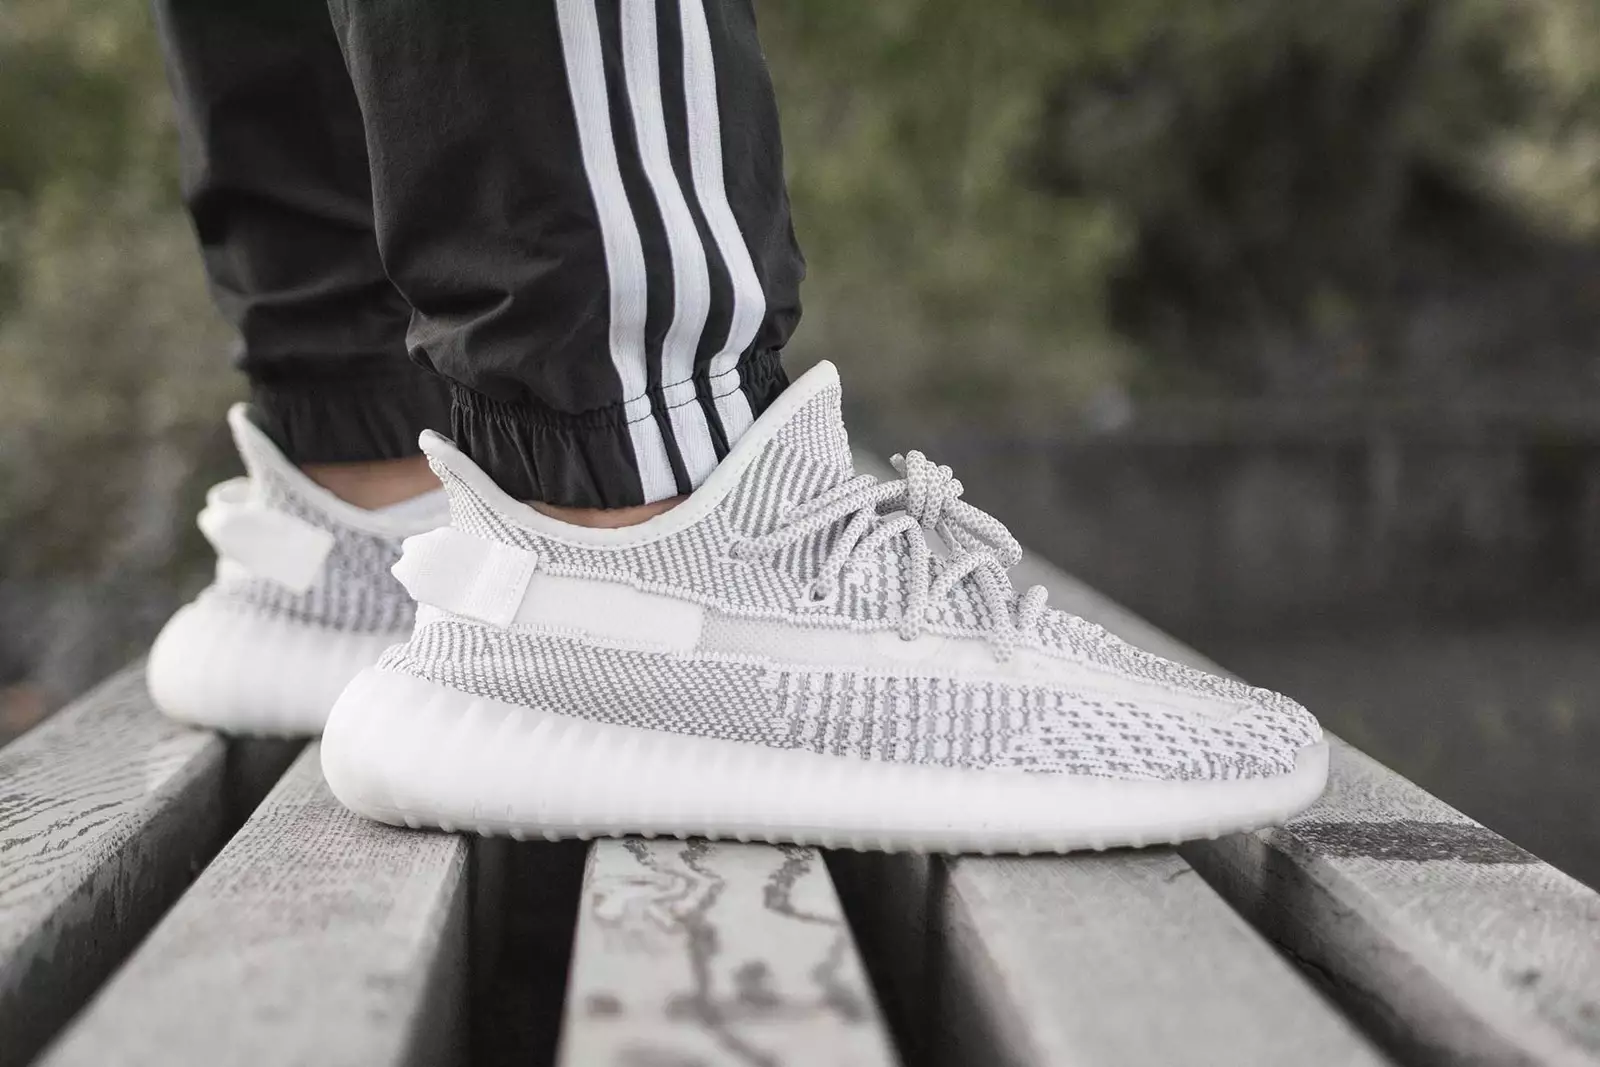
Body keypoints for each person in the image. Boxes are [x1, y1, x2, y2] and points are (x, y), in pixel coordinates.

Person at [145, 0, 1327, 853]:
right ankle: (650, 514)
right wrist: (623, 416)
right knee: (640, 412)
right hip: (621, 518)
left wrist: (355, 388)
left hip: (357, 420)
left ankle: (369, 477)